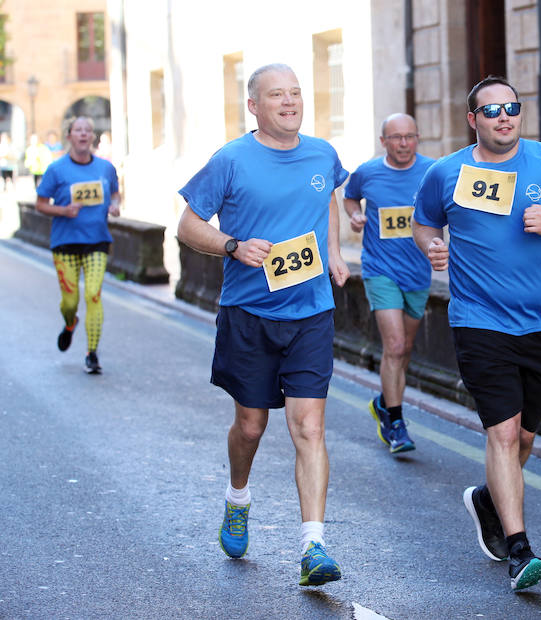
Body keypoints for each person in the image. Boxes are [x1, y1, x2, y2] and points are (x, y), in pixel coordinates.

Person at [412, 76, 541, 591]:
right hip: (479, 322)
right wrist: (432, 248)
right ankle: (519, 551)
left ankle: (487, 497)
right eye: (492, 110)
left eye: (512, 108)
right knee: (502, 433)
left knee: (523, 439)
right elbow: (424, 222)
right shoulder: (447, 172)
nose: (504, 117)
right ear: (472, 119)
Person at [176, 63, 350, 587]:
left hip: (311, 314)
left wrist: (335, 253)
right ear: (254, 105)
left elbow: (330, 201)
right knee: (251, 425)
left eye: (296, 92)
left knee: (310, 427)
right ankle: (237, 496)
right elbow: (186, 225)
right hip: (249, 315)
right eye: (277, 95)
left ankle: (313, 546)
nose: (290, 102)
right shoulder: (230, 160)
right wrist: (233, 246)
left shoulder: (323, 153)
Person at [343, 113, 435, 454]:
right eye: (396, 137)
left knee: (405, 349)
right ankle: (395, 423)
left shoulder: (432, 170)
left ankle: (384, 402)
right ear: (384, 141)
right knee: (394, 346)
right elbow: (349, 196)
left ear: (417, 138)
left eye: (410, 136)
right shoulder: (367, 172)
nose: (404, 143)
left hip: (418, 272)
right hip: (380, 269)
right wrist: (355, 215)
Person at [35, 117, 121, 374]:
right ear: (69, 136)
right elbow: (40, 203)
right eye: (78, 130)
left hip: (97, 240)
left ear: (92, 136)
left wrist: (115, 205)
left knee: (93, 294)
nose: (83, 134)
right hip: (65, 243)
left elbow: (115, 192)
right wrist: (63, 210)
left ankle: (92, 354)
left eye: (88, 130)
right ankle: (70, 322)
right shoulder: (56, 169)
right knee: (70, 301)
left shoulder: (106, 168)